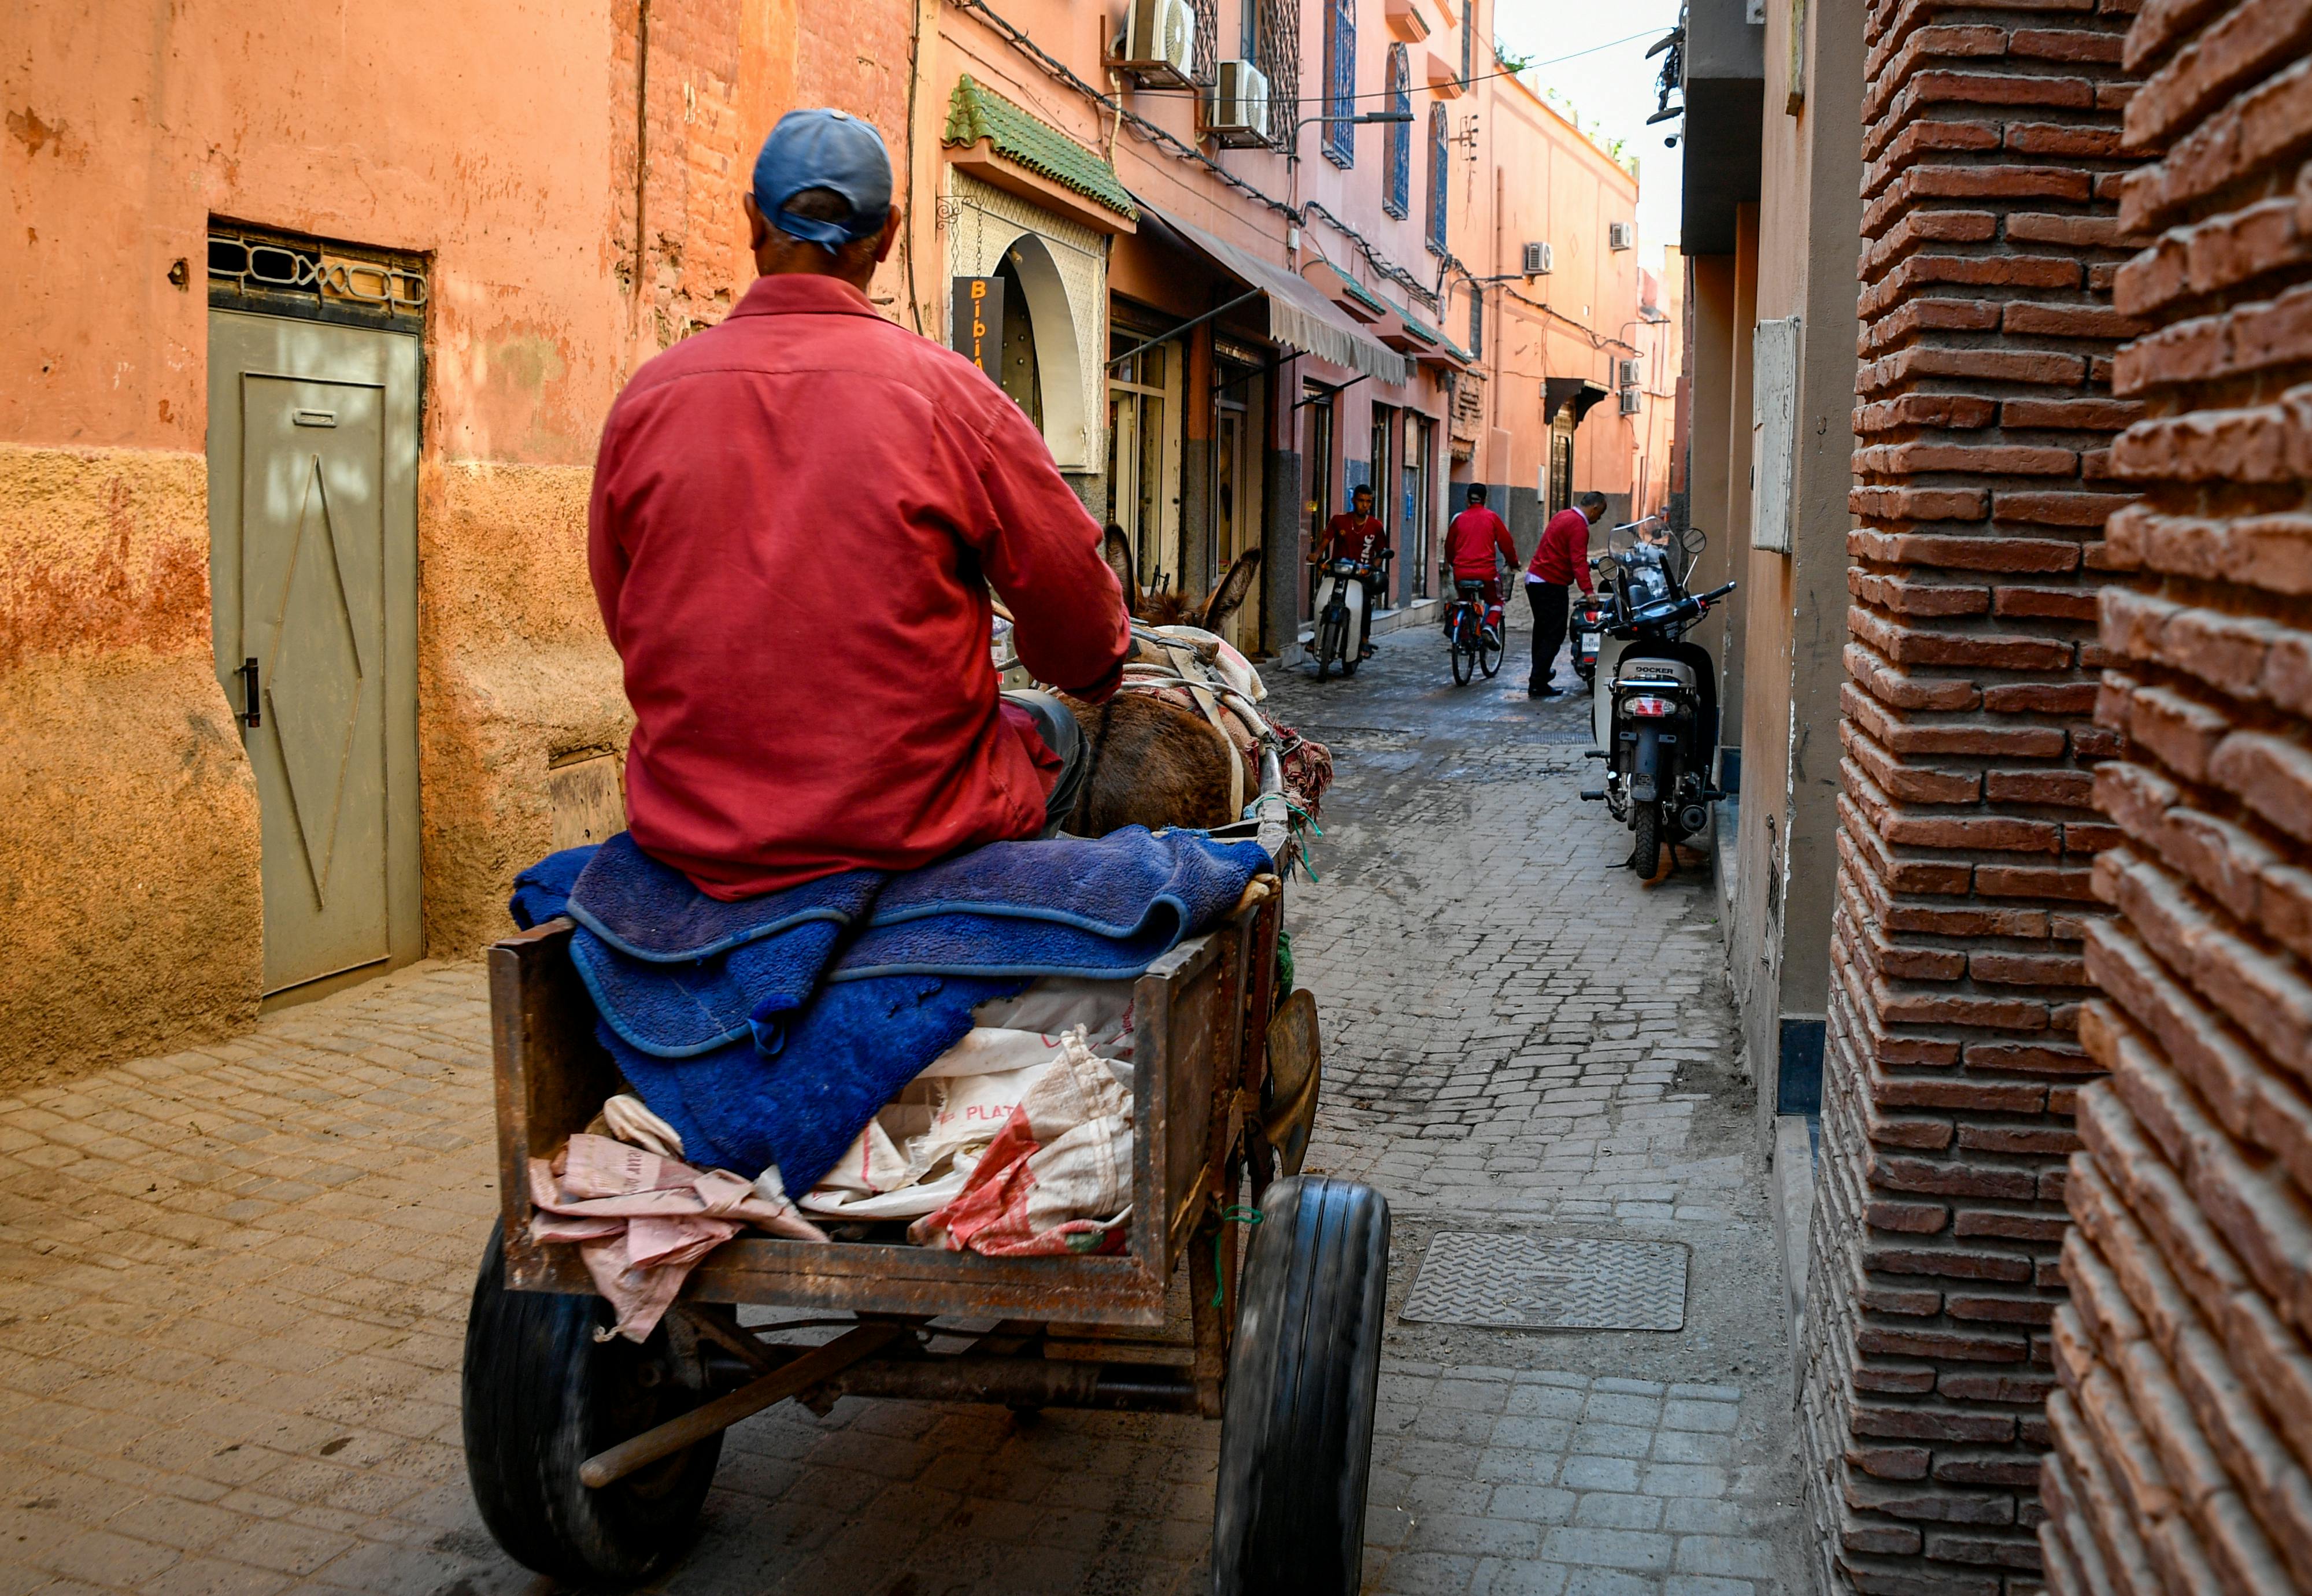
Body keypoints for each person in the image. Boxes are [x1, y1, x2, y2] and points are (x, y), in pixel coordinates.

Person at [587, 108, 1131, 898]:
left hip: (693, 834)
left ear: (748, 221)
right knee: (1058, 739)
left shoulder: (644, 404)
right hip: (914, 831)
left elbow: (624, 618)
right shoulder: (953, 399)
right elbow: (1083, 639)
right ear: (888, 235)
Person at [1524, 491, 1604, 699]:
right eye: (1600, 513)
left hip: (1535, 579)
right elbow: (1577, 560)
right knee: (1554, 633)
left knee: (1542, 631)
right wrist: (1588, 591)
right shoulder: (1579, 526)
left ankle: (1540, 673)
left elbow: (1562, 552)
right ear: (1594, 508)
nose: (1599, 519)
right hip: (1551, 583)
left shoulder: (1563, 516)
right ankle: (1538, 681)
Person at [1309, 483, 1389, 662]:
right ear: (1354, 501)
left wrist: (1373, 567)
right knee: (1320, 597)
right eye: (1361, 501)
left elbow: (1381, 552)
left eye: (1368, 502)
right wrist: (1316, 555)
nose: (1365, 505)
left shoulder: (1376, 526)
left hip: (1360, 575)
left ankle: (1364, 640)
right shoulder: (1339, 520)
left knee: (1366, 602)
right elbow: (1325, 541)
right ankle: (1318, 635)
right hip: (1337, 572)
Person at [1442, 483, 1517, 628]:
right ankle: (1489, 627)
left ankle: (1462, 639)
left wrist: (1454, 564)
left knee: (1464, 599)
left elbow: (1449, 546)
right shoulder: (1492, 518)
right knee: (1496, 601)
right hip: (1486, 574)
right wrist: (1513, 562)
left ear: (1467, 499)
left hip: (1461, 573)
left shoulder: (1459, 519)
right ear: (1485, 499)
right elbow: (1506, 544)